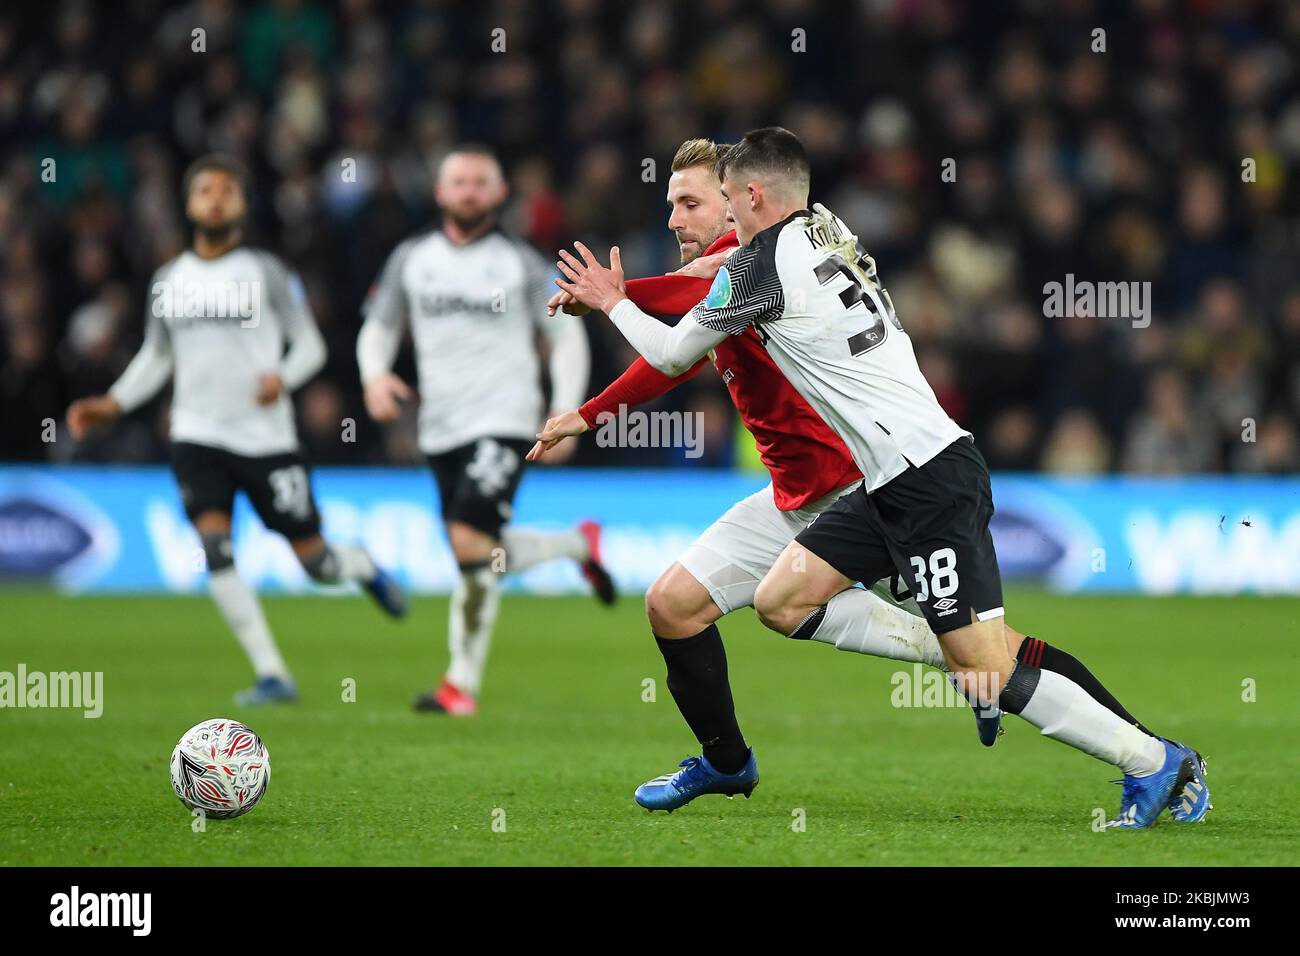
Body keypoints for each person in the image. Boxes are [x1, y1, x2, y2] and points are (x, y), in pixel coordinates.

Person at [554, 128, 1209, 829]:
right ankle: (754, 743)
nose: (683, 222)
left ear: (746, 196)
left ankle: (1154, 761)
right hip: (882, 482)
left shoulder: (755, 268)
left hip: (928, 476)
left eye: (698, 204)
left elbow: (671, 346)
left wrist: (612, 301)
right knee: (782, 599)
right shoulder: (825, 226)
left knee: (987, 661)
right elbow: (698, 286)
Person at [67, 154, 406, 706]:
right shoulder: (168, 280)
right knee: (215, 546)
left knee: (316, 563)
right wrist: (114, 401)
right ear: (189, 203)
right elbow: (157, 357)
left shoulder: (268, 273)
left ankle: (361, 565)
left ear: (243, 205)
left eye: (227, 190)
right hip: (197, 435)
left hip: (266, 439)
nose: (216, 198)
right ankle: (274, 674)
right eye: (205, 190)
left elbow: (312, 346)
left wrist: (283, 378)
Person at [357, 144, 615, 717]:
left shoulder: (521, 264)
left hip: (504, 419)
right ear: (441, 192)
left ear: (500, 194)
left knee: (472, 545)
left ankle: (459, 685)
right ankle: (575, 545)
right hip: (439, 428)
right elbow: (379, 327)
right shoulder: (411, 259)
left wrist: (566, 410)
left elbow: (567, 336)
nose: (469, 191)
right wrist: (375, 376)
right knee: (476, 555)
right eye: (459, 182)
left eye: (481, 182)